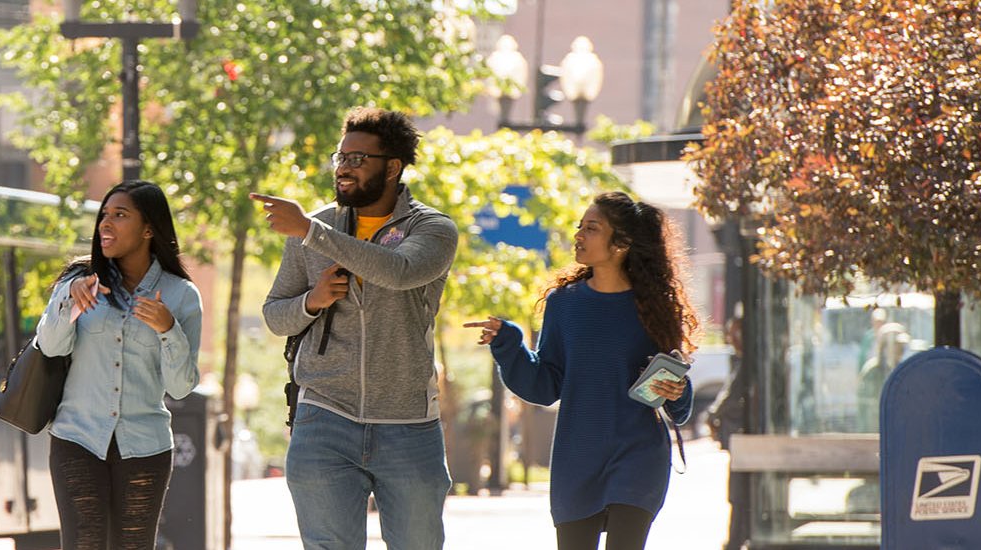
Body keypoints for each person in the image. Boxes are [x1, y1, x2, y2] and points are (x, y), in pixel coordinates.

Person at [253, 107, 459, 550]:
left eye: (358, 159)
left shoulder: (433, 229)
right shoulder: (315, 226)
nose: (344, 167)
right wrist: (312, 301)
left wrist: (312, 232)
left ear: (393, 167)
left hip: (408, 422)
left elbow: (400, 270)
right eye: (340, 157)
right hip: (324, 416)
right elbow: (274, 314)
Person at [464, 191, 699, 550]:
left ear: (621, 243)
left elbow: (676, 401)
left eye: (591, 228)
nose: (578, 235)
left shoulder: (654, 307)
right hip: (578, 457)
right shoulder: (564, 304)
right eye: (580, 227)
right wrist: (508, 344)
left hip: (638, 456)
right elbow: (545, 386)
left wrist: (678, 391)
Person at [35, 180, 203, 550]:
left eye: (120, 215)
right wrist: (70, 304)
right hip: (76, 439)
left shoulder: (181, 295)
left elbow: (180, 386)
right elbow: (47, 346)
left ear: (148, 228)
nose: (105, 224)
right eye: (104, 215)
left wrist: (168, 329)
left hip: (145, 446)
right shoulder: (79, 282)